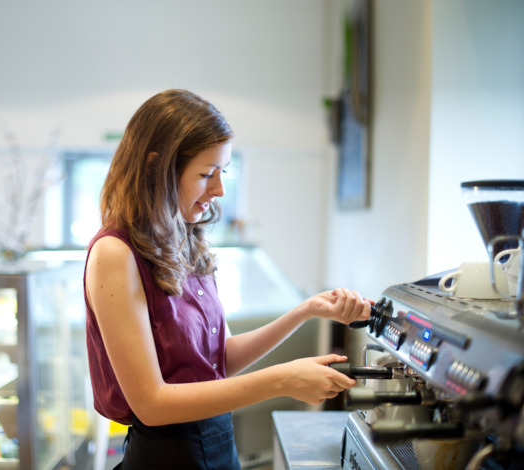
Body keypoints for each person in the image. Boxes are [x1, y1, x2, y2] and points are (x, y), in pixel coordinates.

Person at [84, 89, 372, 470]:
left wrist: (305, 311)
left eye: (222, 173)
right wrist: (279, 381)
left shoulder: (183, 239)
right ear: (156, 167)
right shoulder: (114, 253)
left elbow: (219, 359)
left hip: (219, 448)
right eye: (205, 174)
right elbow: (152, 405)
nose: (218, 190)